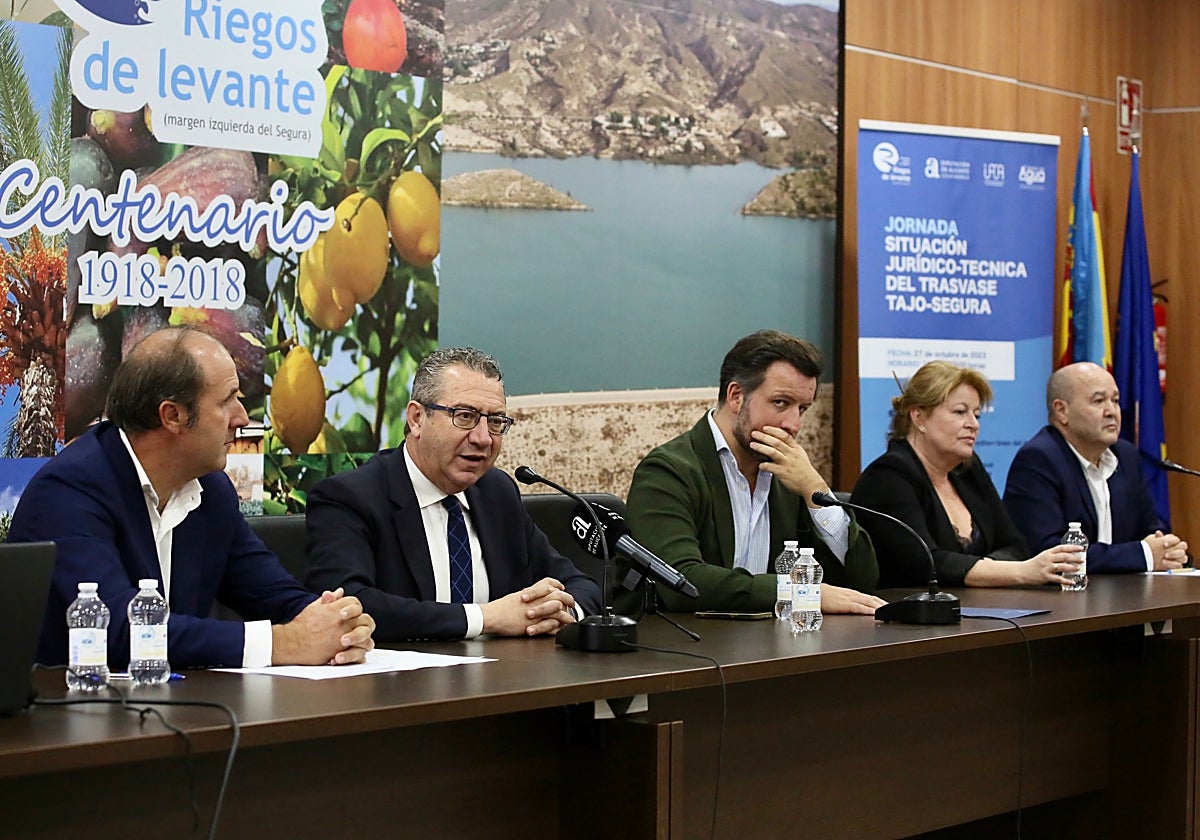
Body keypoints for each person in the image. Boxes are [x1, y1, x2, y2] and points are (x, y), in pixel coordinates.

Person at [8, 326, 376, 669]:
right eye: (228, 401)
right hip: (69, 721)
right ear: (173, 416)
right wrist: (284, 643)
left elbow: (276, 596)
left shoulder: (212, 490)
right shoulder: (69, 491)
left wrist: (337, 621)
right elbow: (116, 630)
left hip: (177, 710)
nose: (243, 418)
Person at [305, 347, 602, 642]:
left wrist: (563, 613)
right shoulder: (349, 498)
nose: (483, 438)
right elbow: (348, 606)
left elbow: (579, 584)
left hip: (504, 680)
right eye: (465, 416)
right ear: (417, 418)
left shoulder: (496, 492)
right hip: (398, 684)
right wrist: (486, 618)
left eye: (496, 421)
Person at [625, 330, 883, 614]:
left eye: (803, 408)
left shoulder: (790, 477)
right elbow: (680, 582)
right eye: (781, 403)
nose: (793, 425)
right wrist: (799, 592)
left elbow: (861, 582)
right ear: (736, 396)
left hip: (770, 644)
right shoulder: (668, 471)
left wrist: (814, 489)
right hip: (685, 647)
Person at [851, 361, 1083, 588]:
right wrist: (1019, 572)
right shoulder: (887, 477)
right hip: (909, 619)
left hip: (980, 612)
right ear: (919, 416)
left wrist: (989, 572)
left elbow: (1015, 545)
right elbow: (924, 564)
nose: (973, 424)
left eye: (977, 414)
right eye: (960, 412)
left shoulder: (967, 469)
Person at [1003, 361, 1188, 572]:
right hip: (1058, 599)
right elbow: (1050, 552)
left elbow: (1152, 531)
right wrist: (1144, 554)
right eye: (1099, 401)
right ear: (1061, 411)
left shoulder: (1125, 456)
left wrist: (1168, 550)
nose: (1112, 411)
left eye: (1115, 401)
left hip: (1122, 596)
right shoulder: (1038, 460)